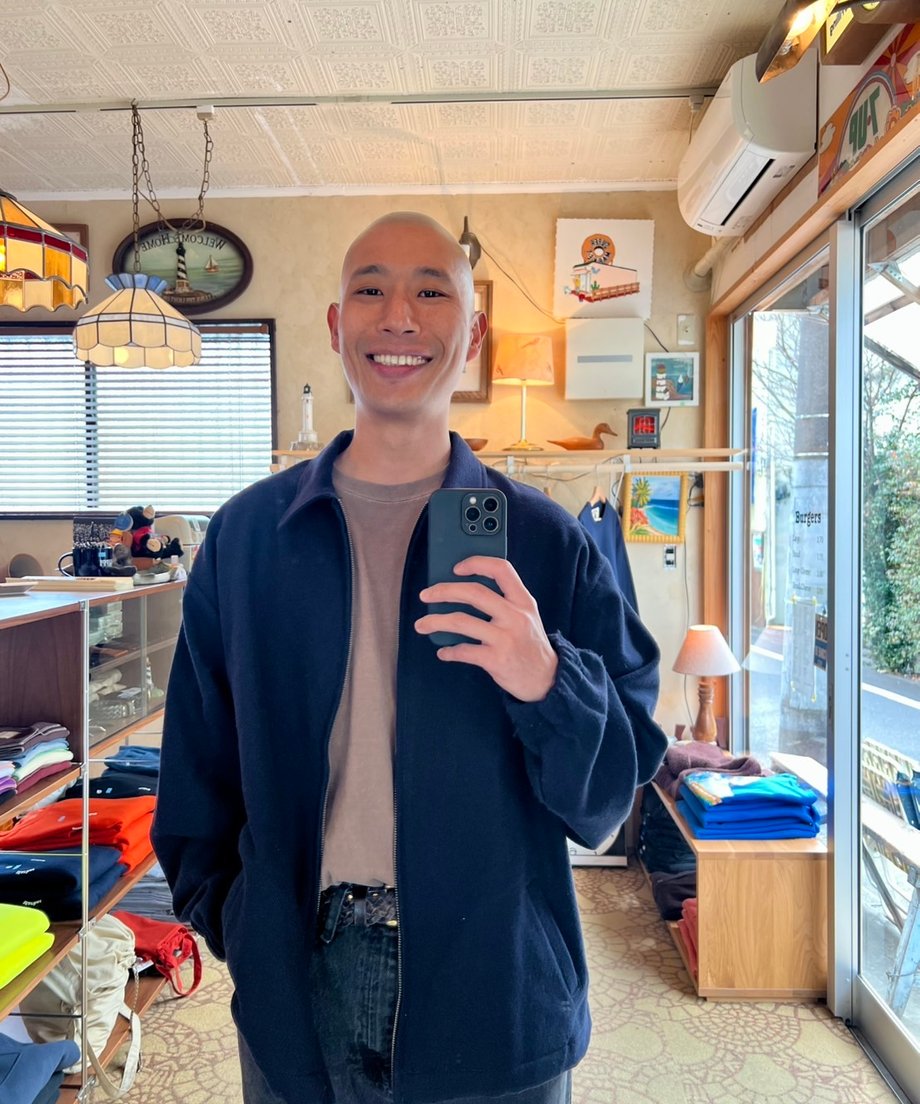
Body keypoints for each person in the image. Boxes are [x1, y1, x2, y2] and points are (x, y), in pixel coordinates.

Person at [152, 212, 668, 1104]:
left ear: (473, 333)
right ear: (335, 326)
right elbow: (195, 767)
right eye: (371, 290)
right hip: (294, 982)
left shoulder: (548, 545)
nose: (399, 316)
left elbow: (607, 799)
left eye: (432, 291)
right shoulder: (246, 539)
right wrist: (241, 919)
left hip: (497, 986)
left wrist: (548, 680)